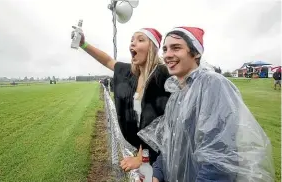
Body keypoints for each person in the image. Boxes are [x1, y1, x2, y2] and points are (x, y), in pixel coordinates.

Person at [137, 26, 275, 182]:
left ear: (195, 53)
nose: (168, 55)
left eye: (176, 48)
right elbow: (169, 144)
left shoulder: (212, 85)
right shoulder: (177, 94)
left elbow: (219, 157)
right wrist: (157, 174)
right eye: (165, 49)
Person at [71, 27, 171, 169]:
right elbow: (108, 61)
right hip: (142, 149)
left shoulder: (163, 75)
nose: (132, 44)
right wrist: (83, 44)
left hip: (159, 157)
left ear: (153, 48)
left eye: (140, 40)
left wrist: (141, 159)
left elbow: (156, 122)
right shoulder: (131, 73)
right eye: (132, 40)